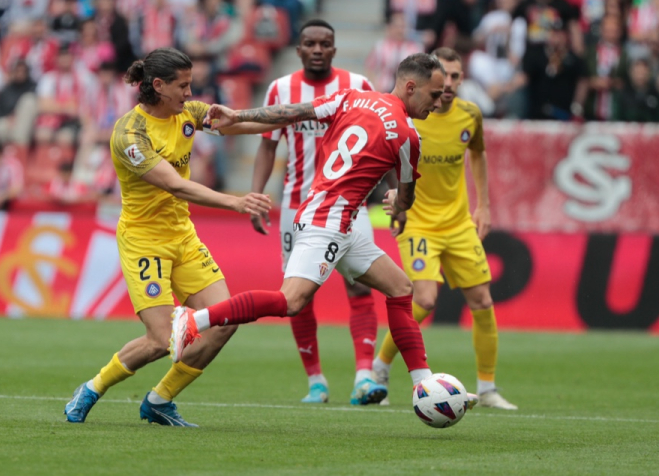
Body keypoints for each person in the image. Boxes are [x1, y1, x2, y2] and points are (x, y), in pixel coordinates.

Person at [171, 54, 454, 412]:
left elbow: (290, 113)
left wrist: (238, 115)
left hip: (334, 217)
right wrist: (397, 201)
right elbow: (407, 198)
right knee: (291, 301)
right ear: (411, 87)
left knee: (400, 288)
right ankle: (193, 320)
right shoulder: (408, 135)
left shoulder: (353, 97)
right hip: (328, 222)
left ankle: (423, 385)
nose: (436, 104)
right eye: (433, 95)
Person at [63, 48, 272, 427]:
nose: (190, 94)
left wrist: (294, 118)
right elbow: (177, 185)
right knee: (161, 340)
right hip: (145, 240)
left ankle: (160, 400)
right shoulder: (130, 134)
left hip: (183, 237)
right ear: (158, 86)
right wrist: (236, 202)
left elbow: (240, 124)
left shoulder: (187, 114)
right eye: (183, 86)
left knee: (225, 321)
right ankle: (93, 387)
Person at [249, 19, 386, 404]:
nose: (317, 50)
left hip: (349, 202)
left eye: (325, 44)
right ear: (298, 49)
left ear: (335, 49)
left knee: (359, 283)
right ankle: (316, 382)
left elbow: (385, 138)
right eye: (310, 43)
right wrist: (256, 194)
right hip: (297, 207)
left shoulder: (358, 85)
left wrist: (394, 194)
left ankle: (364, 376)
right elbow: (266, 146)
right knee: (298, 295)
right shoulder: (281, 88)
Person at [372, 48, 516, 409]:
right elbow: (389, 153)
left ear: (462, 79)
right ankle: (380, 369)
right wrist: (396, 199)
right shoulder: (413, 115)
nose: (448, 84)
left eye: (455, 77)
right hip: (418, 220)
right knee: (424, 299)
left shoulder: (470, 115)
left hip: (458, 223)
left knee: (482, 300)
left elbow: (478, 153)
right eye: (443, 77)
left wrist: (482, 204)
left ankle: (487, 389)